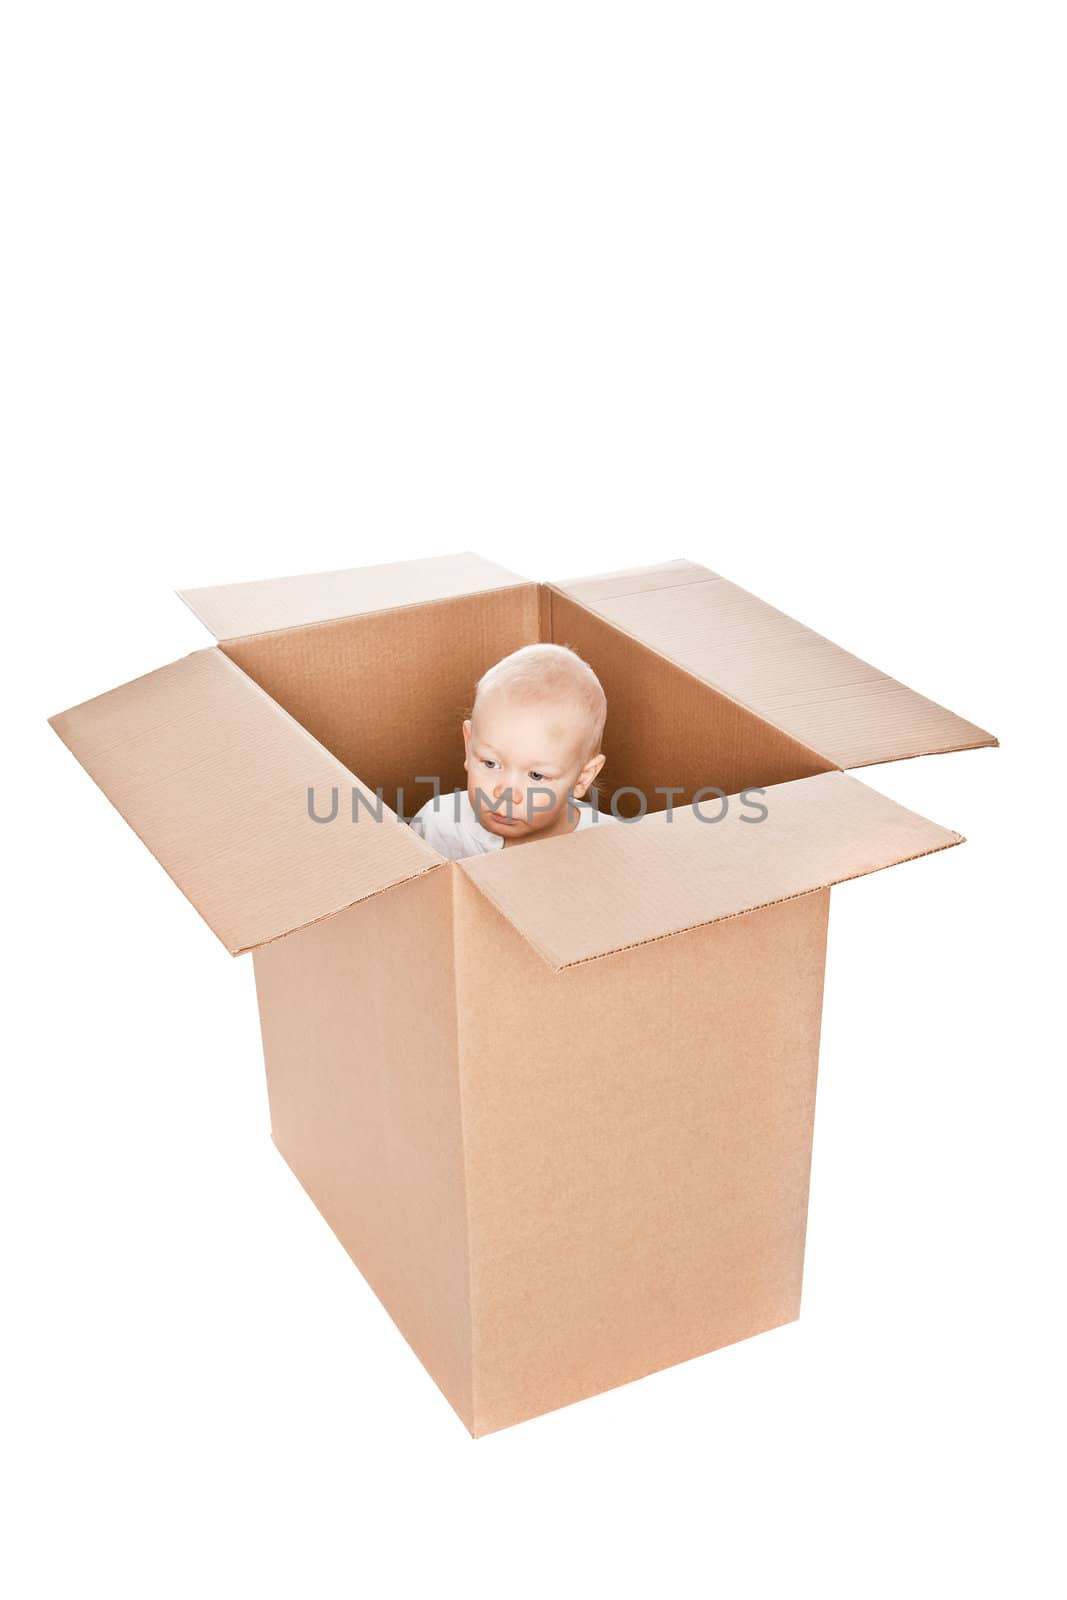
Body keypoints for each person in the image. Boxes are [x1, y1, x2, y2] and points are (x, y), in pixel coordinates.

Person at [409, 643, 608, 860]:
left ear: (582, 778)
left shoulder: (606, 842)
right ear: (469, 745)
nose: (505, 794)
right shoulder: (438, 824)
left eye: (536, 775)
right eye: (491, 763)